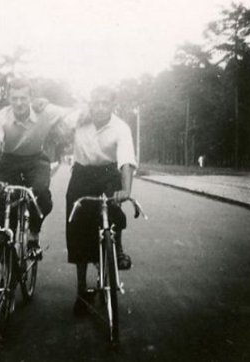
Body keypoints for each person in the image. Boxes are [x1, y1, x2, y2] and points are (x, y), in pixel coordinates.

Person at [66, 86, 137, 316]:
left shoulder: (120, 127)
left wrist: (125, 190)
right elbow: (54, 119)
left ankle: (116, 249)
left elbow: (126, 160)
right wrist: (40, 103)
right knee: (76, 223)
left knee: (114, 209)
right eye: (95, 102)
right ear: (90, 102)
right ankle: (80, 290)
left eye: (104, 103)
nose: (99, 107)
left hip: (108, 173)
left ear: (112, 105)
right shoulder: (79, 118)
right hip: (82, 173)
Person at [0, 78, 75, 258]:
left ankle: (33, 235)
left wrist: (48, 102)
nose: (19, 103)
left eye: (23, 98)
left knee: (41, 195)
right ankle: (3, 261)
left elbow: (73, 111)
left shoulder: (45, 111)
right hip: (9, 161)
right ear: (9, 98)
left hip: (35, 160)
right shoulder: (1, 117)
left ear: (31, 97)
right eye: (14, 98)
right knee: (6, 210)